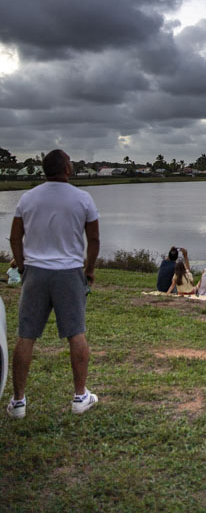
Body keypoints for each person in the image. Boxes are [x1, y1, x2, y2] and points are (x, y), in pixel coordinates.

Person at [7, 149, 100, 418]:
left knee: (26, 335)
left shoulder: (28, 198)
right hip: (69, 272)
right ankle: (80, 396)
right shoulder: (83, 199)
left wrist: (23, 266)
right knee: (76, 333)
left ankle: (18, 402)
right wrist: (90, 268)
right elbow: (93, 240)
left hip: (35, 272)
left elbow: (15, 238)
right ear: (67, 169)